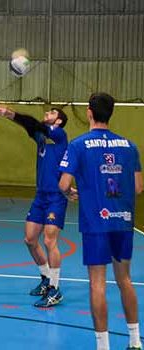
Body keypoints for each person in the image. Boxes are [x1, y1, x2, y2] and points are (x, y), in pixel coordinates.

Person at [59, 93, 143, 350]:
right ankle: (135, 340)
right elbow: (139, 187)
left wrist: (71, 193)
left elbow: (63, 183)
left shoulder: (78, 144)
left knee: (97, 282)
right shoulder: (130, 146)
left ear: (89, 112)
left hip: (97, 223)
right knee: (124, 279)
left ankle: (103, 345)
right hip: (123, 221)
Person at [0, 105, 68, 307]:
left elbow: (34, 123)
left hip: (56, 197)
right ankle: (45, 279)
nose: (48, 114)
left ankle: (55, 289)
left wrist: (12, 113)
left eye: (52, 113)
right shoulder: (42, 137)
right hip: (40, 196)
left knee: (50, 240)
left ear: (59, 121)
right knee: (30, 239)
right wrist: (11, 117)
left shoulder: (59, 134)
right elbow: (29, 126)